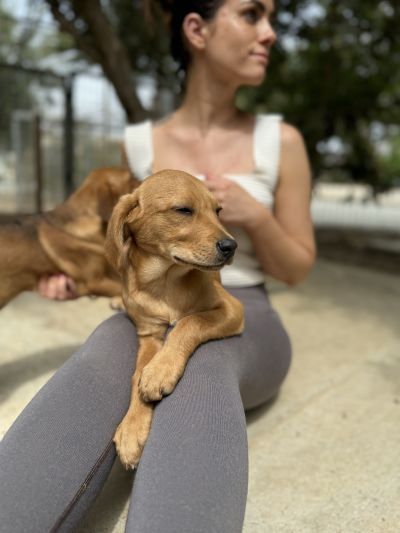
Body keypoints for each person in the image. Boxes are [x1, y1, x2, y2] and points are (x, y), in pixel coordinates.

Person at [0, 0, 315, 531]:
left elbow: (298, 268)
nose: (270, 33)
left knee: (200, 370)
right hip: (151, 299)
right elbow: (121, 243)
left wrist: (256, 217)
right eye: (252, 14)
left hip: (243, 304)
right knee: (100, 359)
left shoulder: (282, 141)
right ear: (197, 29)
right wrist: (74, 280)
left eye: (272, 19)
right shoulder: (137, 144)